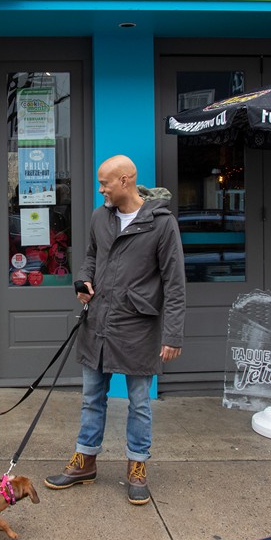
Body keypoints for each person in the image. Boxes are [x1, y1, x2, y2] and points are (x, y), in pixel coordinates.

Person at [44, 155, 185, 505]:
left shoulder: (162, 224)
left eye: (105, 182)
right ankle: (85, 461)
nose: (100, 188)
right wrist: (82, 279)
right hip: (98, 322)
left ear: (125, 181)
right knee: (92, 397)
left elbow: (175, 282)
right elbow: (90, 256)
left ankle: (137, 465)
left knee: (139, 402)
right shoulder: (100, 217)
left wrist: (173, 334)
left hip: (138, 325)